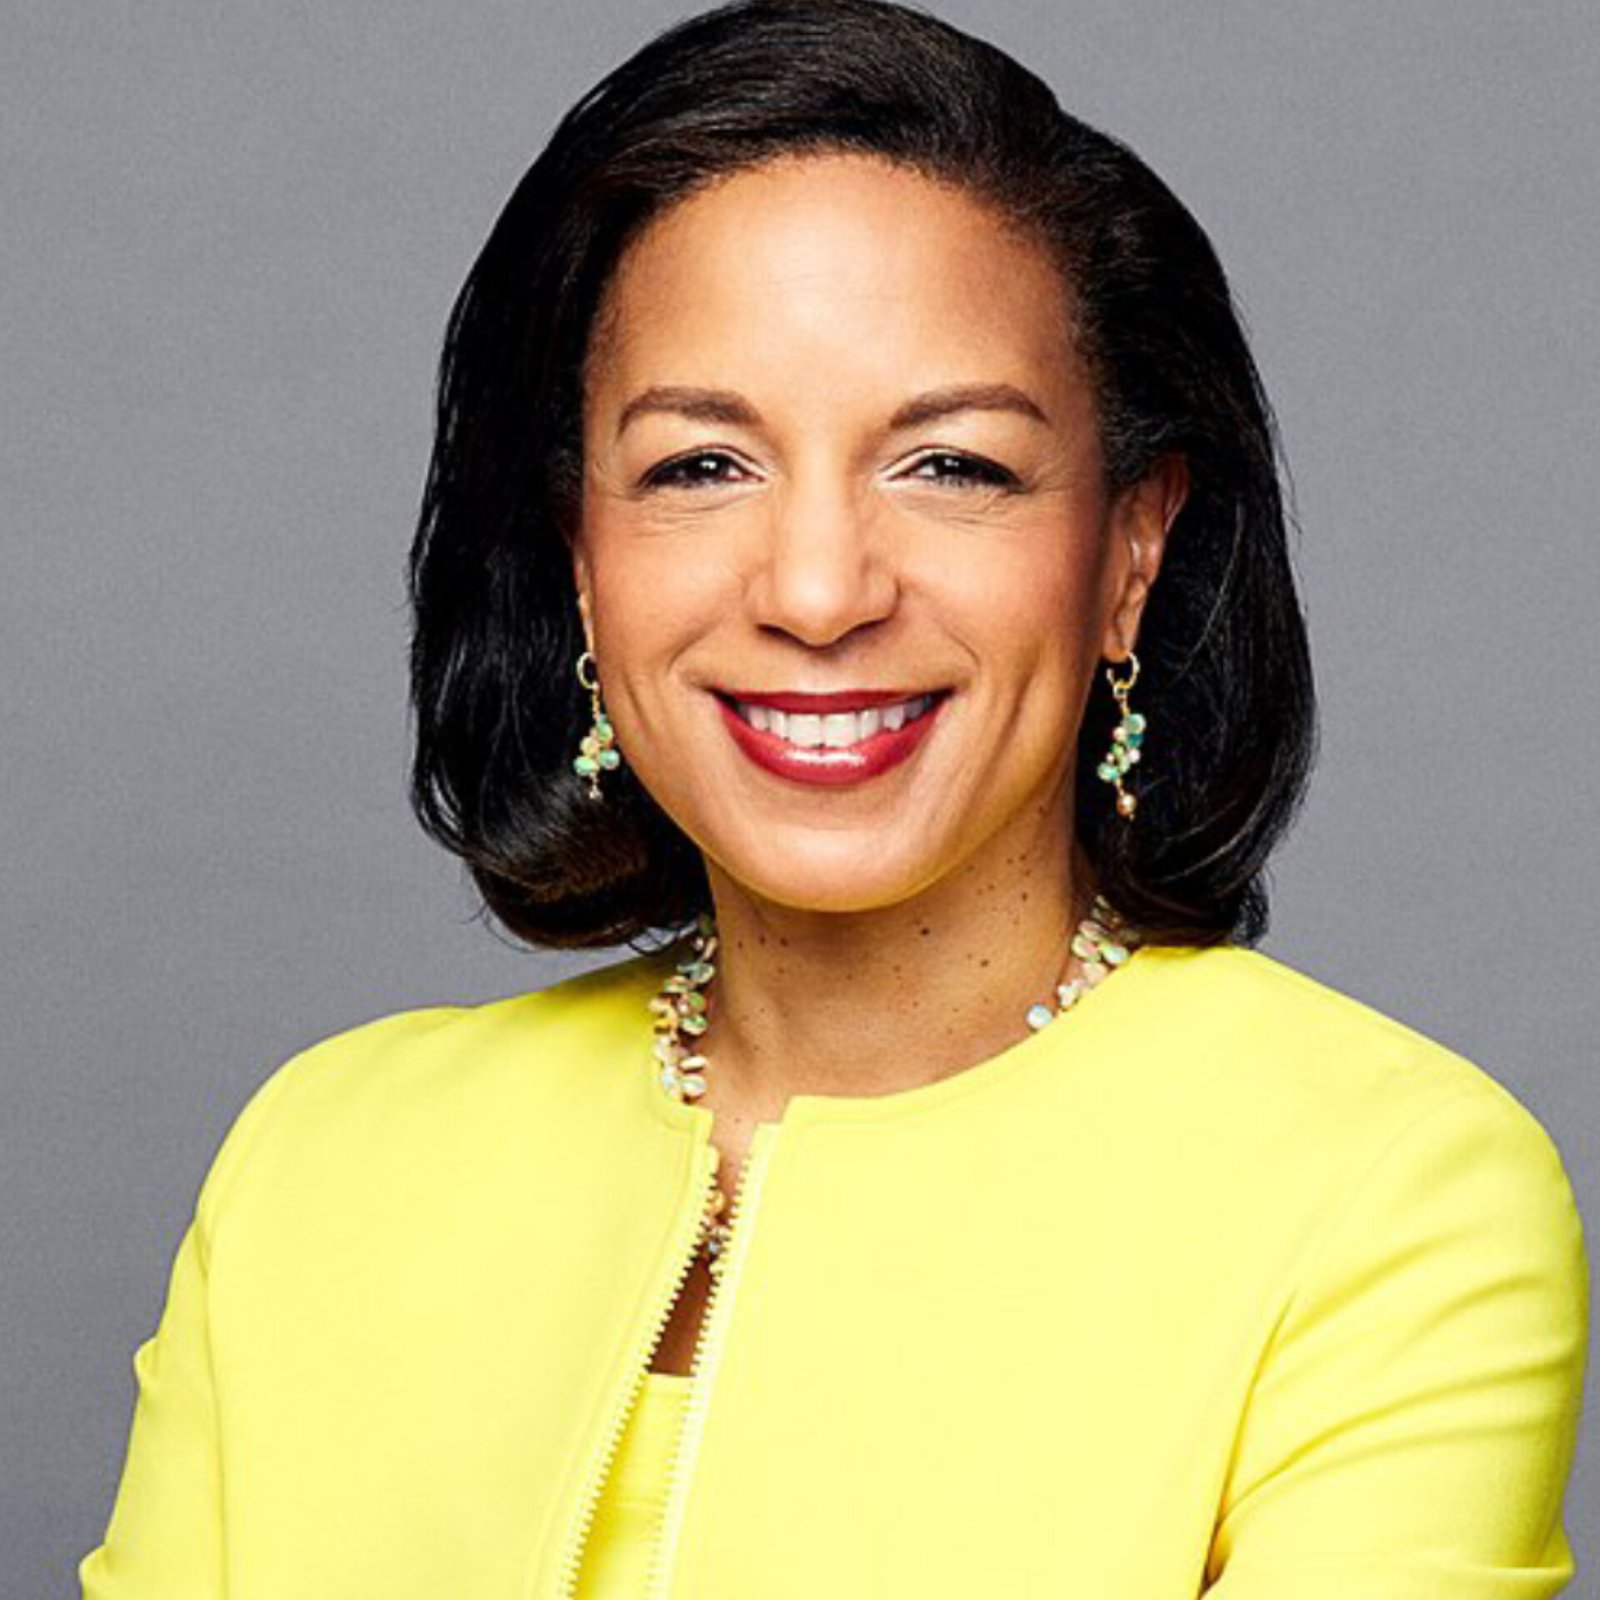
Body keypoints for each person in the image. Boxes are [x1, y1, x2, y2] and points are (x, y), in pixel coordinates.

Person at [80, 0, 1588, 1595]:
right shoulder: (324, 1160)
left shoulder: (1386, 1199)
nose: (815, 592)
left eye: (952, 466)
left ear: (1129, 552)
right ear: (581, 558)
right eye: (699, 467)